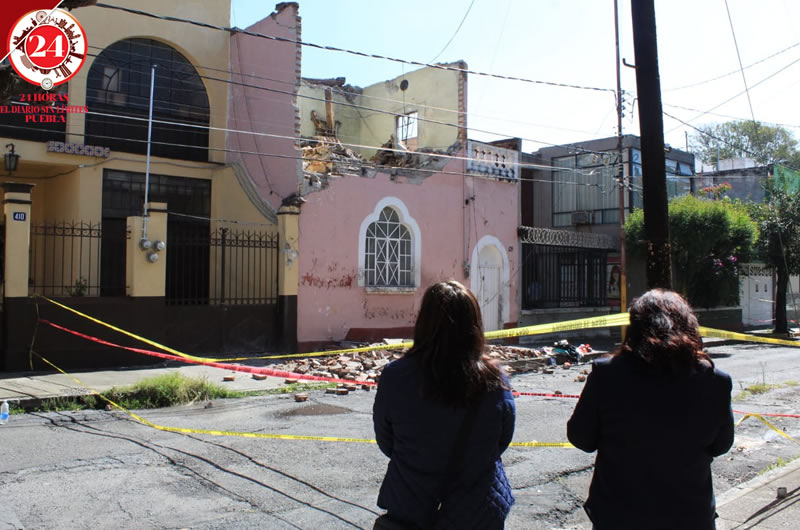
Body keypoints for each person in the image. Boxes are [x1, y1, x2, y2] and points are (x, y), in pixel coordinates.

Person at [567, 289, 734, 530]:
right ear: (690, 326)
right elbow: (722, 444)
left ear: (634, 328)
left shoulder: (607, 374)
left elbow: (581, 437)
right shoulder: (715, 380)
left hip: (620, 515)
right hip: (689, 514)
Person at [373, 280, 516, 529]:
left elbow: (387, 440)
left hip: (411, 504)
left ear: (424, 322)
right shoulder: (494, 379)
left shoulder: (396, 376)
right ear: (475, 325)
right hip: (478, 510)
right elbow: (502, 438)